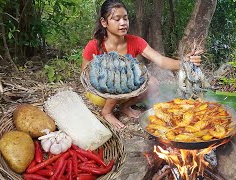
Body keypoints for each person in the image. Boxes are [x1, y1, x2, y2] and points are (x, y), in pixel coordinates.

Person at [81, 0, 202, 129]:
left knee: (152, 83)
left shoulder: (136, 41)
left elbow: (161, 61)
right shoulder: (94, 45)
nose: (123, 23)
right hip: (100, 95)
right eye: (117, 19)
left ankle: (124, 106)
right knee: (118, 82)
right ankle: (107, 112)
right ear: (104, 22)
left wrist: (185, 63)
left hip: (124, 90)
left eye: (125, 18)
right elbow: (86, 74)